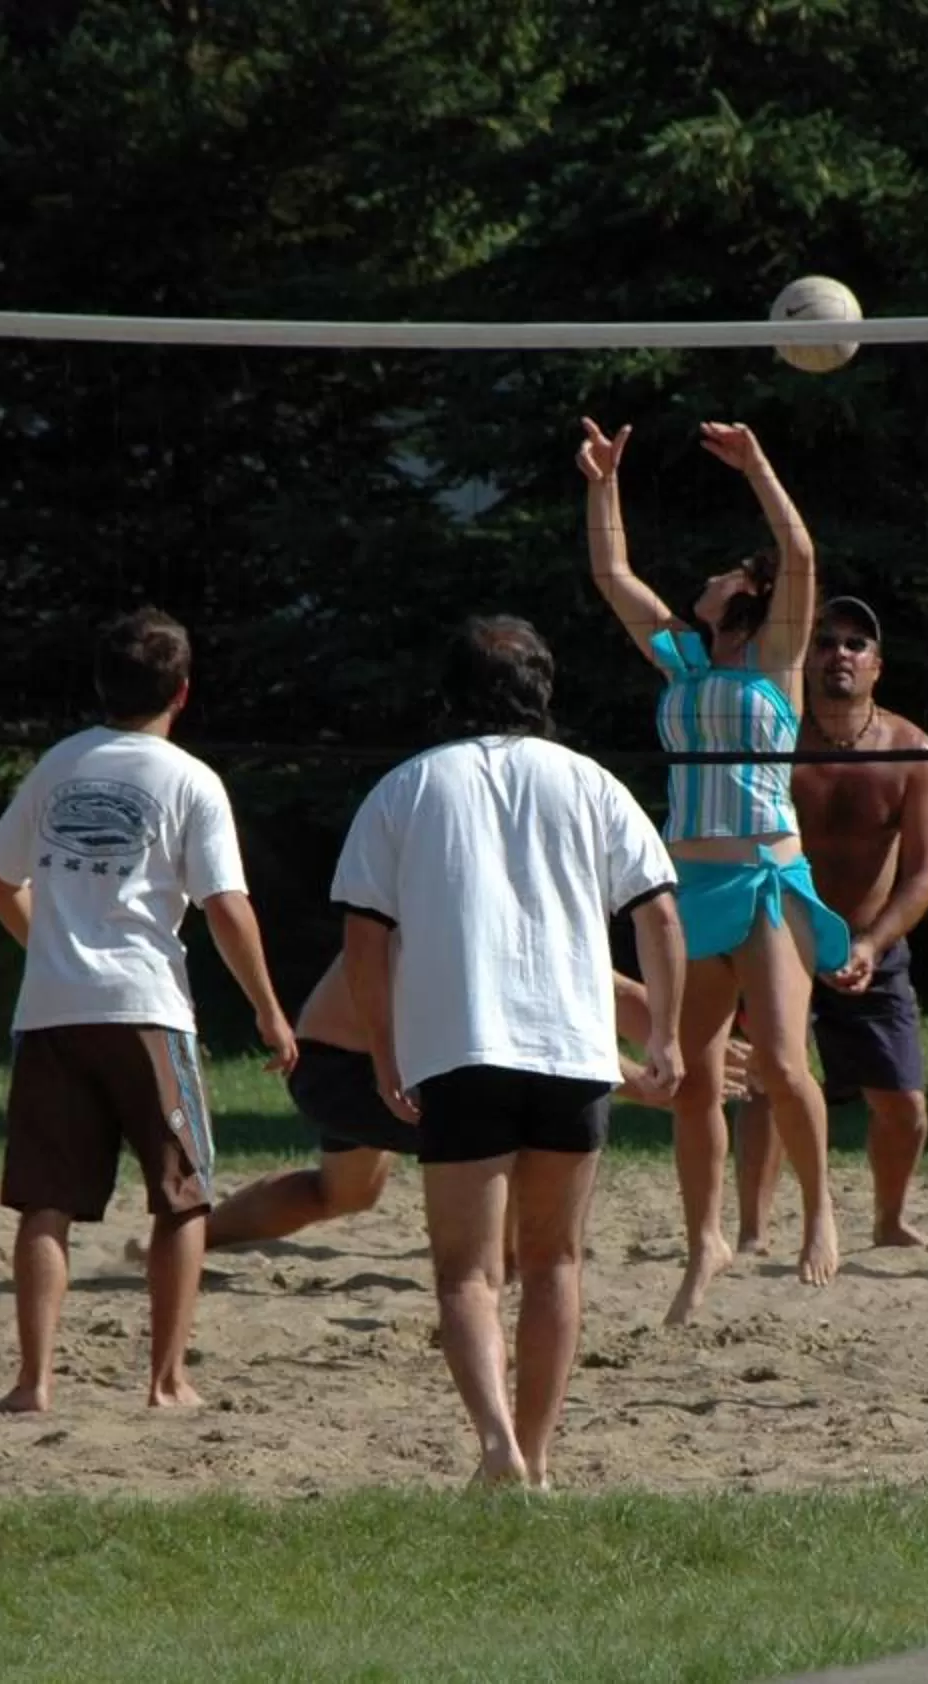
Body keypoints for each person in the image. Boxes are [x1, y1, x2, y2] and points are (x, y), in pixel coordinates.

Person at [330, 615, 683, 1489]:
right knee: (556, 1260)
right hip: (572, 1049)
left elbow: (363, 940)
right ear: (544, 690)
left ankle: (496, 1443)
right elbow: (660, 915)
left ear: (450, 692)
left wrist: (382, 1050)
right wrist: (667, 1033)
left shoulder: (406, 788)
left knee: (467, 1271)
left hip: (460, 1049)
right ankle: (542, 1454)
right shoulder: (590, 782)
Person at [0, 609, 297, 1414]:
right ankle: (165, 1380)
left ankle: (33, 1382)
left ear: (100, 684)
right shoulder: (189, 779)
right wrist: (267, 1007)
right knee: (182, 1196)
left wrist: (45, 945)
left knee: (46, 1203)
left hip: (53, 1010)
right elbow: (224, 904)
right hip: (150, 1007)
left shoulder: (59, 763)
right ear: (183, 692)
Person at [579, 416, 852, 1326]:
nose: (704, 576)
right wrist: (603, 485)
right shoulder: (682, 662)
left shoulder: (776, 659)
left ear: (748, 591)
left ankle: (819, 1215)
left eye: (725, 572)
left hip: (767, 884)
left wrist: (758, 464)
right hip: (690, 890)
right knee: (690, 1081)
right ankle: (706, 1241)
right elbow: (613, 576)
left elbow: (801, 549)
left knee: (777, 1060)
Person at [200, 960, 743, 1252]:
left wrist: (697, 1049)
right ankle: (504, 1268)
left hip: (368, 1061)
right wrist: (648, 1082)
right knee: (514, 1136)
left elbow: (610, 989)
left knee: (343, 1194)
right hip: (343, 1070)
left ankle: (189, 1240)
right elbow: (517, 1034)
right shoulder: (459, 909)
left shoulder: (525, 904)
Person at [734, 595, 928, 1252]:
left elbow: (924, 873)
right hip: (782, 937)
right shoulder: (775, 742)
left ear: (877, 666)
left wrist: (870, 943)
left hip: (870, 944)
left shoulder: (911, 750)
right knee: (771, 1081)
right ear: (807, 658)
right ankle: (751, 1231)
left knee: (904, 1106)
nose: (839, 655)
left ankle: (887, 1219)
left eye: (855, 644)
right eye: (825, 641)